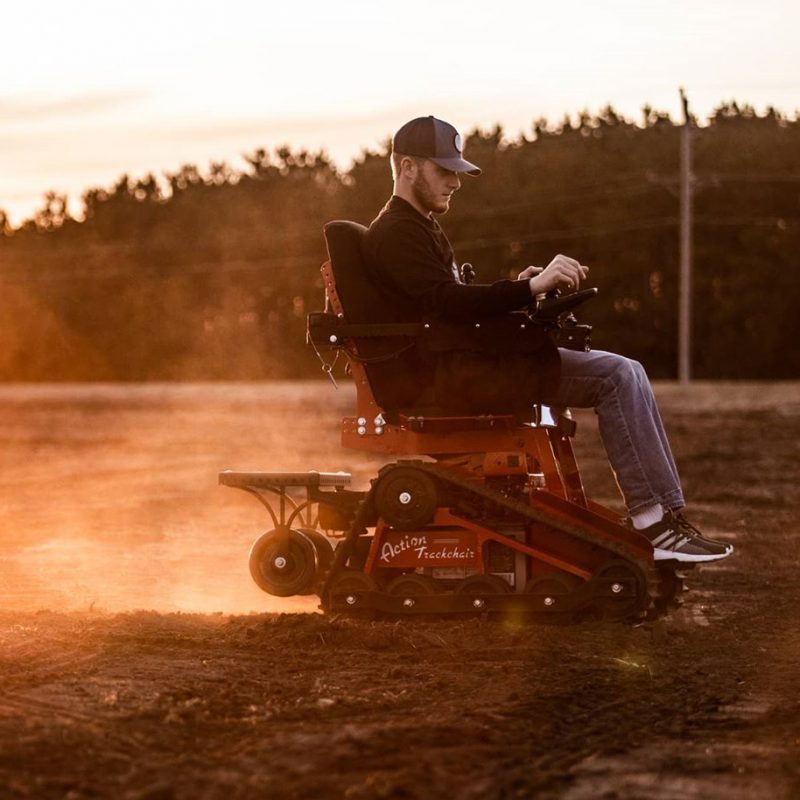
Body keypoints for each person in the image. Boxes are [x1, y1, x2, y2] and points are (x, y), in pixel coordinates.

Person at [362, 115, 732, 564]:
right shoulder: (398, 232)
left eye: (457, 172)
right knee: (618, 375)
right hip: (449, 378)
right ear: (407, 167)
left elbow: (451, 305)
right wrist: (528, 291)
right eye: (446, 171)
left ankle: (664, 516)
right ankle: (653, 521)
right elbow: (446, 304)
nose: (455, 183)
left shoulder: (417, 227)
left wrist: (520, 287)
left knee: (626, 370)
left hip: (459, 366)